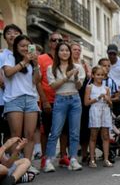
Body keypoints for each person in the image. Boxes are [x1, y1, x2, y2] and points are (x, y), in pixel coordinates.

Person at [43, 42, 85, 172]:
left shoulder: (78, 67)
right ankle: (48, 160)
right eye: (62, 50)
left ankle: (73, 159)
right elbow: (53, 86)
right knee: (55, 131)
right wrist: (66, 77)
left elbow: (79, 87)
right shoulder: (52, 68)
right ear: (57, 52)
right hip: (60, 99)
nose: (65, 52)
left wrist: (76, 77)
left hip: (75, 99)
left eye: (67, 50)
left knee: (74, 131)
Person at [2, 35, 40, 164]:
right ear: (16, 46)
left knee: (29, 135)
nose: (25, 48)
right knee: (15, 136)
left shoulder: (32, 61)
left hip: (30, 99)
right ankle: (14, 164)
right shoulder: (9, 57)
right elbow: (8, 73)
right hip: (14, 99)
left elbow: (36, 81)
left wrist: (35, 65)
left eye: (27, 46)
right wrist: (24, 61)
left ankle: (27, 164)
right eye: (22, 46)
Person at [38, 32, 69, 167]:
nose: (57, 42)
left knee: (64, 130)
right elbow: (38, 81)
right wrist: (44, 100)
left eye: (60, 40)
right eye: (54, 40)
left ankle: (63, 155)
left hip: (63, 99)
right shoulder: (41, 58)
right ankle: (45, 157)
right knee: (46, 130)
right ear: (50, 43)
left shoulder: (66, 59)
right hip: (48, 100)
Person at [85, 66, 113, 168]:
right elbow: (86, 102)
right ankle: (92, 159)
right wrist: (97, 98)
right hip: (95, 110)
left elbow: (111, 104)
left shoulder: (106, 88)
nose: (100, 77)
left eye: (102, 75)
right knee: (93, 135)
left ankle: (106, 158)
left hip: (105, 110)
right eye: (98, 74)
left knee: (105, 135)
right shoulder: (90, 87)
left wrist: (107, 99)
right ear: (93, 75)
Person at [0, 25, 23, 145]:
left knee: (11, 134)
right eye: (9, 33)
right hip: (4, 100)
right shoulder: (2, 55)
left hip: (16, 101)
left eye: (16, 33)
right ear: (4, 37)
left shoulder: (24, 55)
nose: (12, 35)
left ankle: (9, 160)